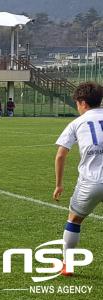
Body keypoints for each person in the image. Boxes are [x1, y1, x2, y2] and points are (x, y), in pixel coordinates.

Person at [52, 82, 103, 276]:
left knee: (74, 219)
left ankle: (67, 265)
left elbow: (60, 155)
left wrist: (59, 185)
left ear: (82, 103)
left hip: (90, 182)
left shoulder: (76, 123)